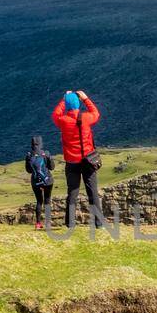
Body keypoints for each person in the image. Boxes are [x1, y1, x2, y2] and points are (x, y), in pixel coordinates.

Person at [52, 89, 105, 229]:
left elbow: (55, 114)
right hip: (88, 161)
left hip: (72, 162)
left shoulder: (63, 121)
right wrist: (86, 99)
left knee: (72, 193)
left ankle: (70, 224)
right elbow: (96, 113)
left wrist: (64, 99)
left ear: (68, 105)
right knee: (92, 192)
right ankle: (98, 223)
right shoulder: (86, 118)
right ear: (77, 104)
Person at [24, 135, 55, 229]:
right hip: (47, 181)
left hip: (35, 181)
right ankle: (48, 223)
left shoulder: (29, 155)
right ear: (41, 143)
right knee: (47, 201)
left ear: (32, 144)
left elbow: (28, 170)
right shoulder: (46, 153)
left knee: (39, 201)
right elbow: (52, 167)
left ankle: (38, 223)